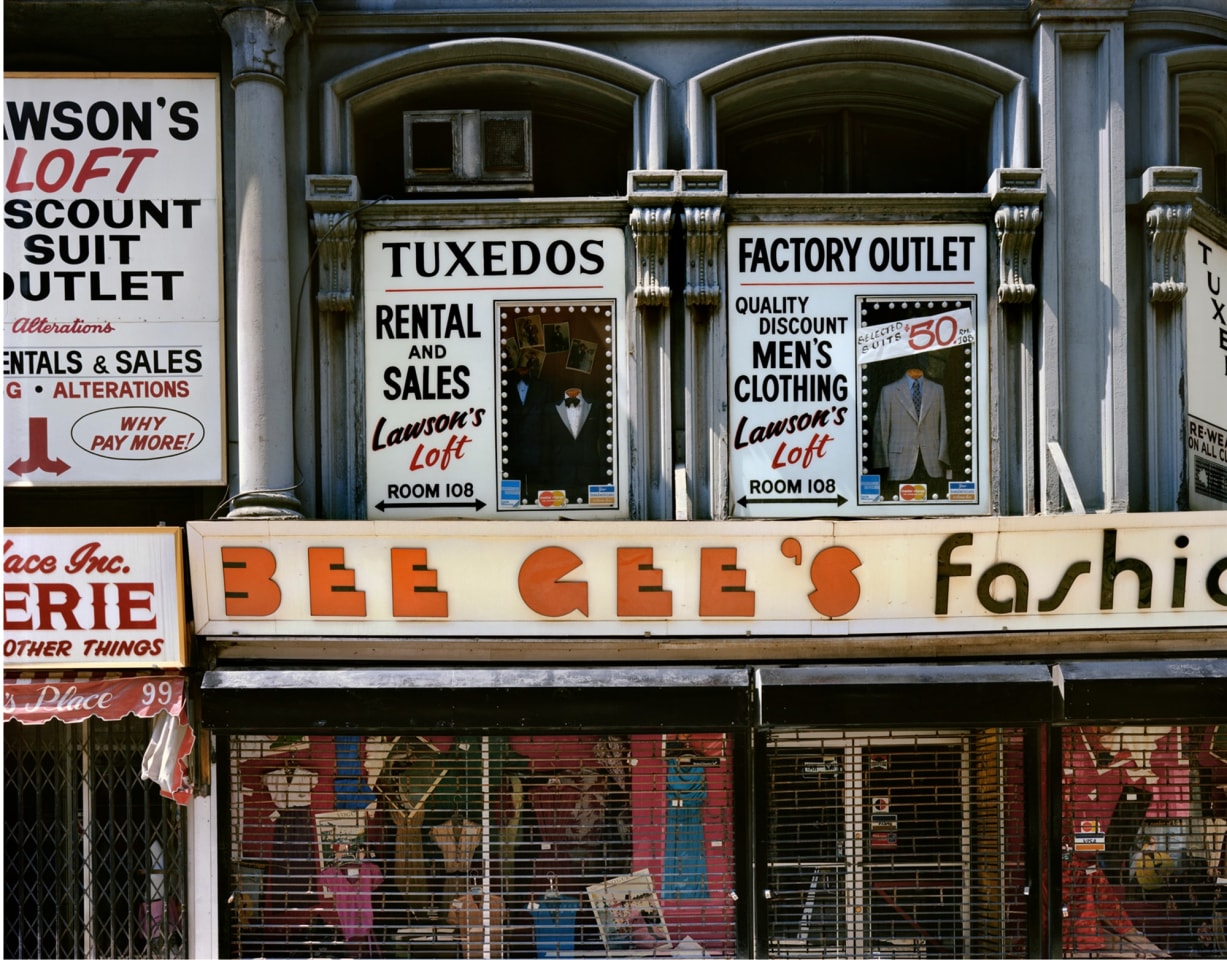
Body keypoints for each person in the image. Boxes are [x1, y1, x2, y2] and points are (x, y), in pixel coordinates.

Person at [871, 362, 949, 498]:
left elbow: (943, 427)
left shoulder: (937, 390)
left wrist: (943, 457)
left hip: (931, 460)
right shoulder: (889, 391)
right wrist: (881, 464)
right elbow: (881, 429)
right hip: (898, 462)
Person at [541, 387, 607, 504]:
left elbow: (603, 441)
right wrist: (547, 474)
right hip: (560, 473)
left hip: (590, 473)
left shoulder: (597, 406)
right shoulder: (550, 409)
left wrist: (604, 470)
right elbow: (546, 443)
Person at [503, 360, 550, 499]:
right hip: (509, 452)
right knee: (511, 500)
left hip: (538, 450)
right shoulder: (502, 387)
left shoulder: (544, 387)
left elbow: (548, 421)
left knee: (539, 499)